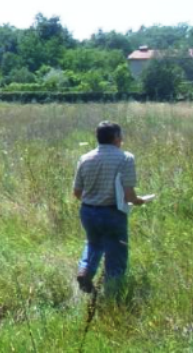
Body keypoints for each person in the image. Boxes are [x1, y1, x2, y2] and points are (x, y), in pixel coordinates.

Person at [73, 121, 146, 296]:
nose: (122, 140)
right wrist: (138, 201)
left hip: (88, 211)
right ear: (115, 138)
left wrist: (93, 201)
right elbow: (129, 194)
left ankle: (85, 270)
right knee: (116, 253)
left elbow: (76, 192)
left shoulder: (85, 158)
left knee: (94, 244)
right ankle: (112, 294)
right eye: (121, 136)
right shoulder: (126, 158)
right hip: (113, 212)